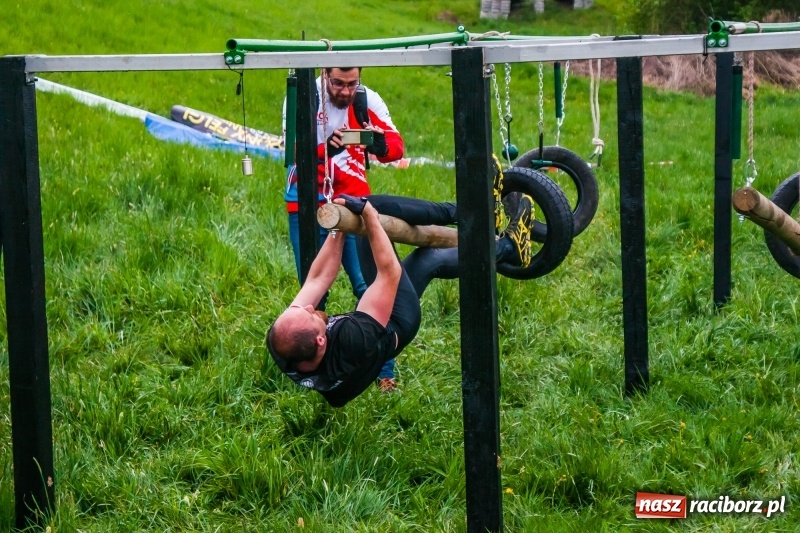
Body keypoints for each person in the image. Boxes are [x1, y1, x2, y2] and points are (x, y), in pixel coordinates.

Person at [266, 192, 533, 408]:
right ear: (321, 341)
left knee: (429, 259)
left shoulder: (285, 341)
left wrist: (339, 225)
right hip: (397, 321)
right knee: (376, 208)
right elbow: (389, 273)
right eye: (312, 315)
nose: (311, 307)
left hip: (370, 329)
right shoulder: (353, 340)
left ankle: (507, 248)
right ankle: (472, 211)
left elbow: (318, 279)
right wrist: (369, 214)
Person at [283, 66, 404, 392]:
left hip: (352, 204)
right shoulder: (303, 98)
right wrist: (328, 151)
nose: (345, 90)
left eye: (352, 84)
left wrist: (377, 145)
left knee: (367, 284)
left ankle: (384, 370)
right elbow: (292, 153)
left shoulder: (367, 100)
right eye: (338, 83)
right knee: (313, 288)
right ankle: (315, 363)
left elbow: (397, 146)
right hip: (306, 203)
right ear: (324, 75)